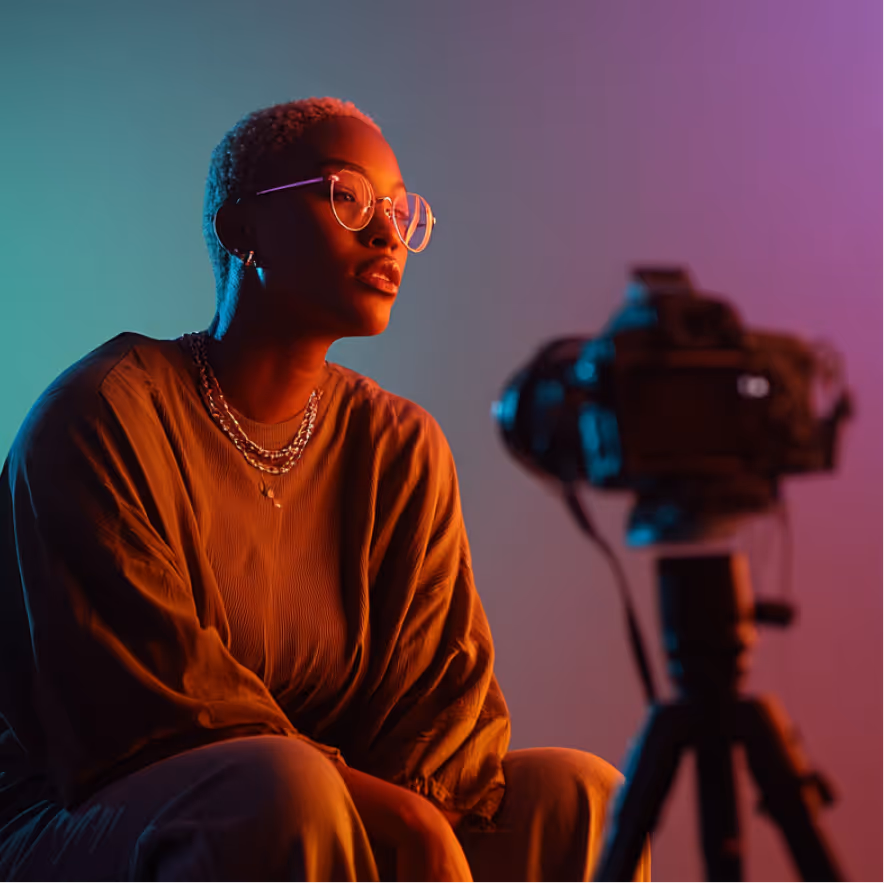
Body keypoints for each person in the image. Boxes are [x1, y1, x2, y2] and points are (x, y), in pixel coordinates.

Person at [0, 97, 651, 883]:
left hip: (317, 807)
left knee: (582, 795)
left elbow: (439, 706)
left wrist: (404, 809)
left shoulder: (398, 447)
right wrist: (394, 812)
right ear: (242, 232)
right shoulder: (106, 415)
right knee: (283, 788)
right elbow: (141, 714)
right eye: (347, 196)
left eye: (400, 211)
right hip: (84, 815)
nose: (386, 234)